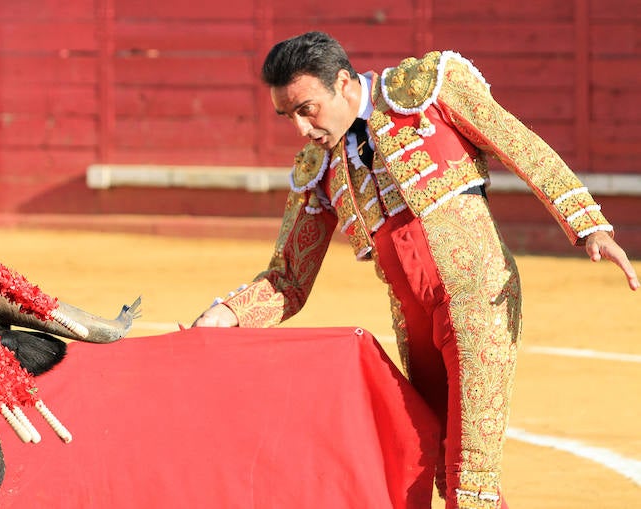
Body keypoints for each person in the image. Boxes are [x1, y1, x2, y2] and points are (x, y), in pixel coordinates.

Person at [191, 31, 639, 508]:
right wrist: (228, 315)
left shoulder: (425, 91)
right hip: (414, 322)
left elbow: (517, 143)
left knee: (472, 480)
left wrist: (587, 223)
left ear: (343, 83)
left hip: (477, 298)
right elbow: (288, 279)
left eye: (307, 110)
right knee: (444, 470)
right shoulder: (320, 167)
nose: (302, 129)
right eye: (289, 116)